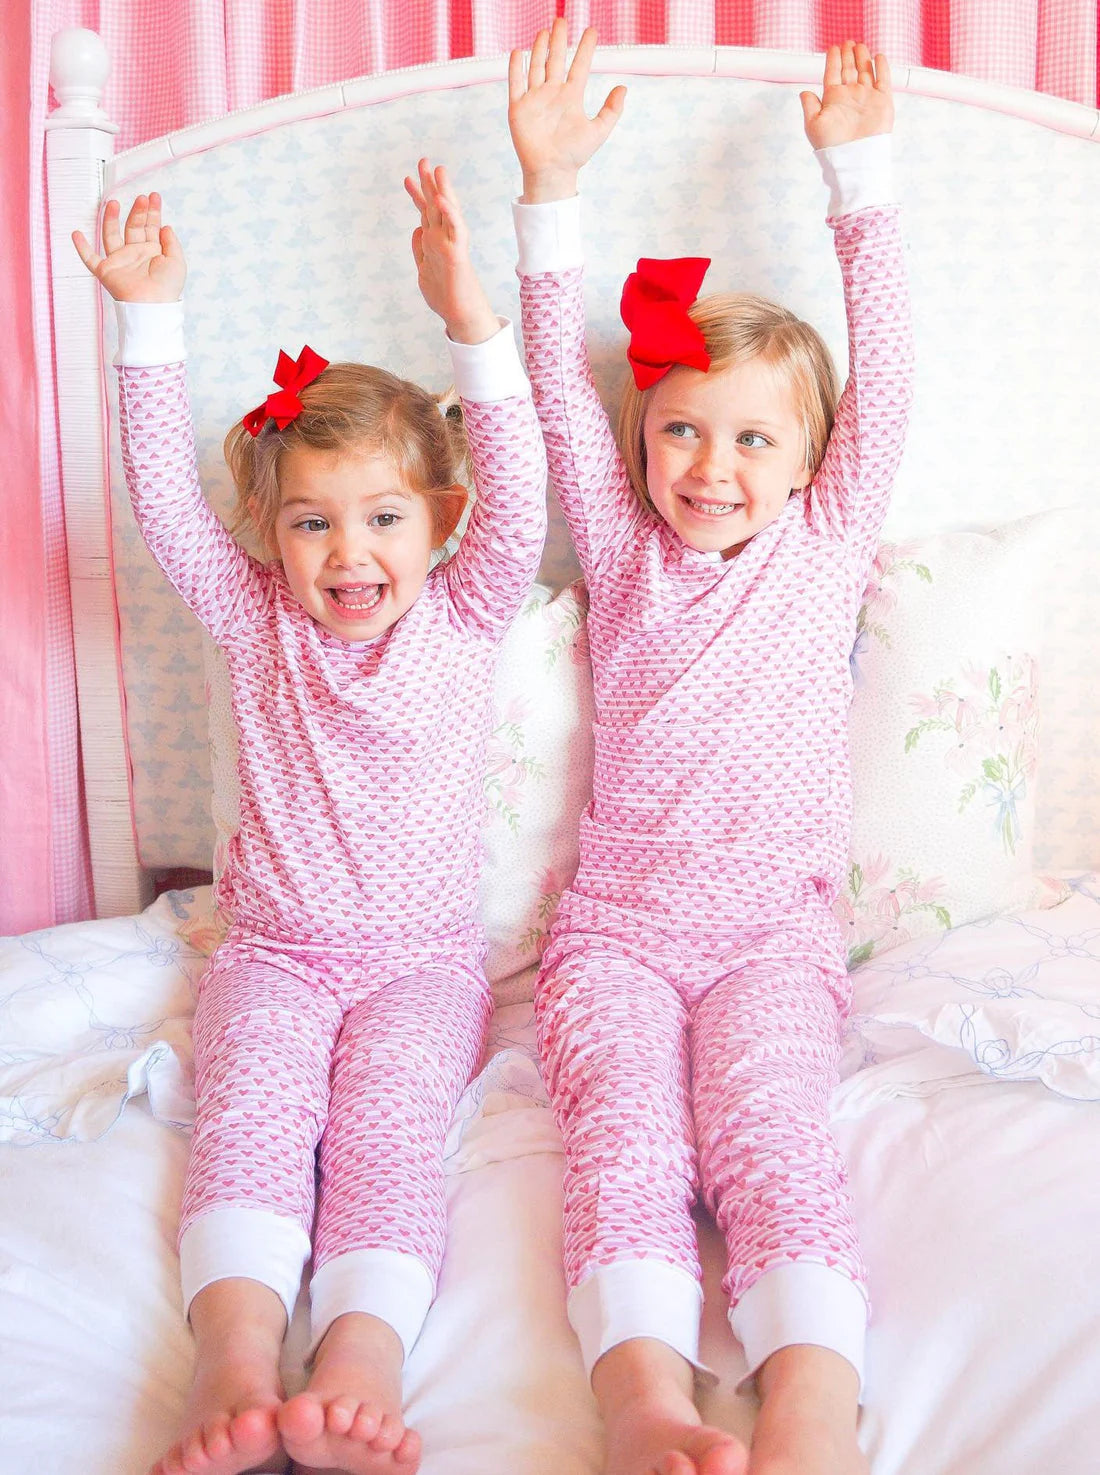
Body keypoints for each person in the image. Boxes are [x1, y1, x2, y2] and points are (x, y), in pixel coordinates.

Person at [73, 159, 546, 1475]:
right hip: (272, 954)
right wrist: (147, 322)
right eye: (314, 523)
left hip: (421, 967)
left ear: (440, 522)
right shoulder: (252, 617)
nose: (350, 553)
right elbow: (167, 509)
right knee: (253, 1122)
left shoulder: (464, 609)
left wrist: (474, 322)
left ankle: (358, 1368)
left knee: (394, 1133)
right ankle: (229, 1366)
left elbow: (524, 498)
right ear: (270, 537)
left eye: (384, 518)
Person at [507, 25, 912, 1475]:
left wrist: (853, 173)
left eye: (750, 441)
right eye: (682, 430)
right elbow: (557, 388)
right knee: (622, 1139)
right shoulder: (625, 555)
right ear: (643, 445)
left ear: (810, 462)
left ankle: (808, 1403)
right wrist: (546, 188)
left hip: (771, 934)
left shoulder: (825, 543)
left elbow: (894, 372)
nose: (712, 468)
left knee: (772, 1133)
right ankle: (642, 1401)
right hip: (614, 932)